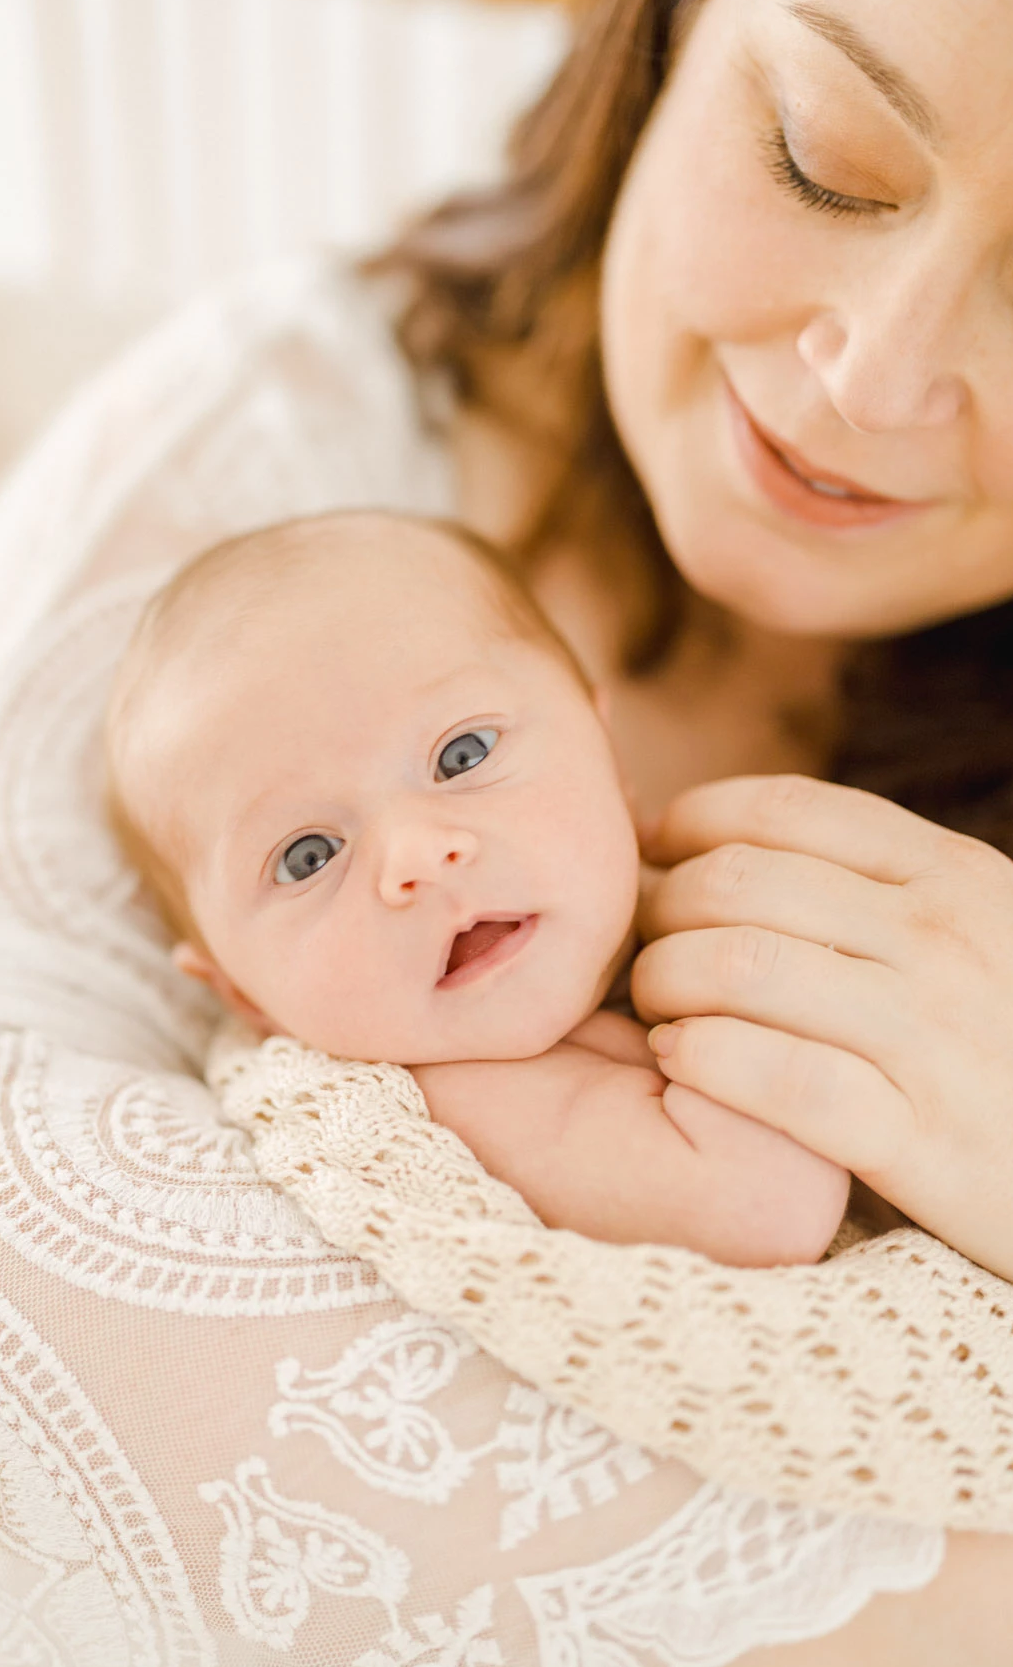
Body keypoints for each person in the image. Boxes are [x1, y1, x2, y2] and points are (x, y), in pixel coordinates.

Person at [0, 0, 1013, 1667]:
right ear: (678, 2)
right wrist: (955, 1635)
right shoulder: (284, 459)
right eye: (824, 159)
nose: (867, 373)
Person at [107, 508, 849, 1266]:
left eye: (461, 756)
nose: (419, 856)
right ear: (243, 994)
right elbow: (762, 1207)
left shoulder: (712, 871)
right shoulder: (468, 1095)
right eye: (308, 856)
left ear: (606, 752)